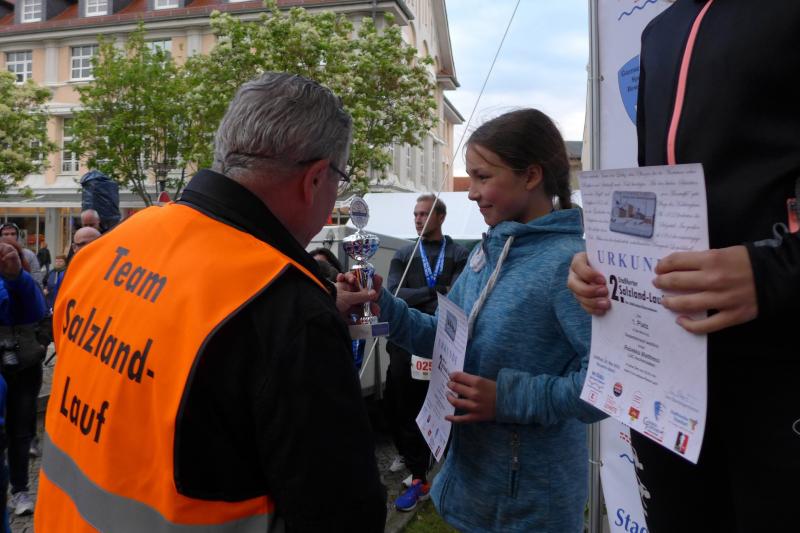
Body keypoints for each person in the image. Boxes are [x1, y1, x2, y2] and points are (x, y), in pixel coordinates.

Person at [35, 72, 386, 532]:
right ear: (316, 177)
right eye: (339, 179)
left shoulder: (109, 247)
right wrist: (304, 329)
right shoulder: (289, 311)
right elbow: (343, 515)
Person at [567, 2, 800, 531]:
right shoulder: (659, 31)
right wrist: (608, 264)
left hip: (779, 373)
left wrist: (775, 270)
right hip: (670, 389)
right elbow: (659, 198)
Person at [367, 109, 604, 532]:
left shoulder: (570, 265)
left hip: (531, 509)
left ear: (531, 176)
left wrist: (507, 398)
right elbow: (445, 338)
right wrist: (381, 303)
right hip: (472, 491)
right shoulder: (485, 251)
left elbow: (605, 389)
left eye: (482, 177)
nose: (472, 193)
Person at [384, 194, 468, 510]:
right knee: (405, 406)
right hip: (406, 343)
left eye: (424, 214)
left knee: (444, 405)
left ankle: (447, 471)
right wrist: (434, 290)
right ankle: (418, 472)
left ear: (440, 217)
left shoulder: (458, 253)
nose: (418, 219)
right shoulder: (405, 254)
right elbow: (395, 293)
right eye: (416, 214)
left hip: (443, 343)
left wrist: (420, 297)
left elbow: (456, 298)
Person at [0, 241, 47, 519]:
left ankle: (20, 490)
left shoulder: (24, 283)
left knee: (19, 433)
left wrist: (15, 275)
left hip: (24, 368)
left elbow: (36, 310)